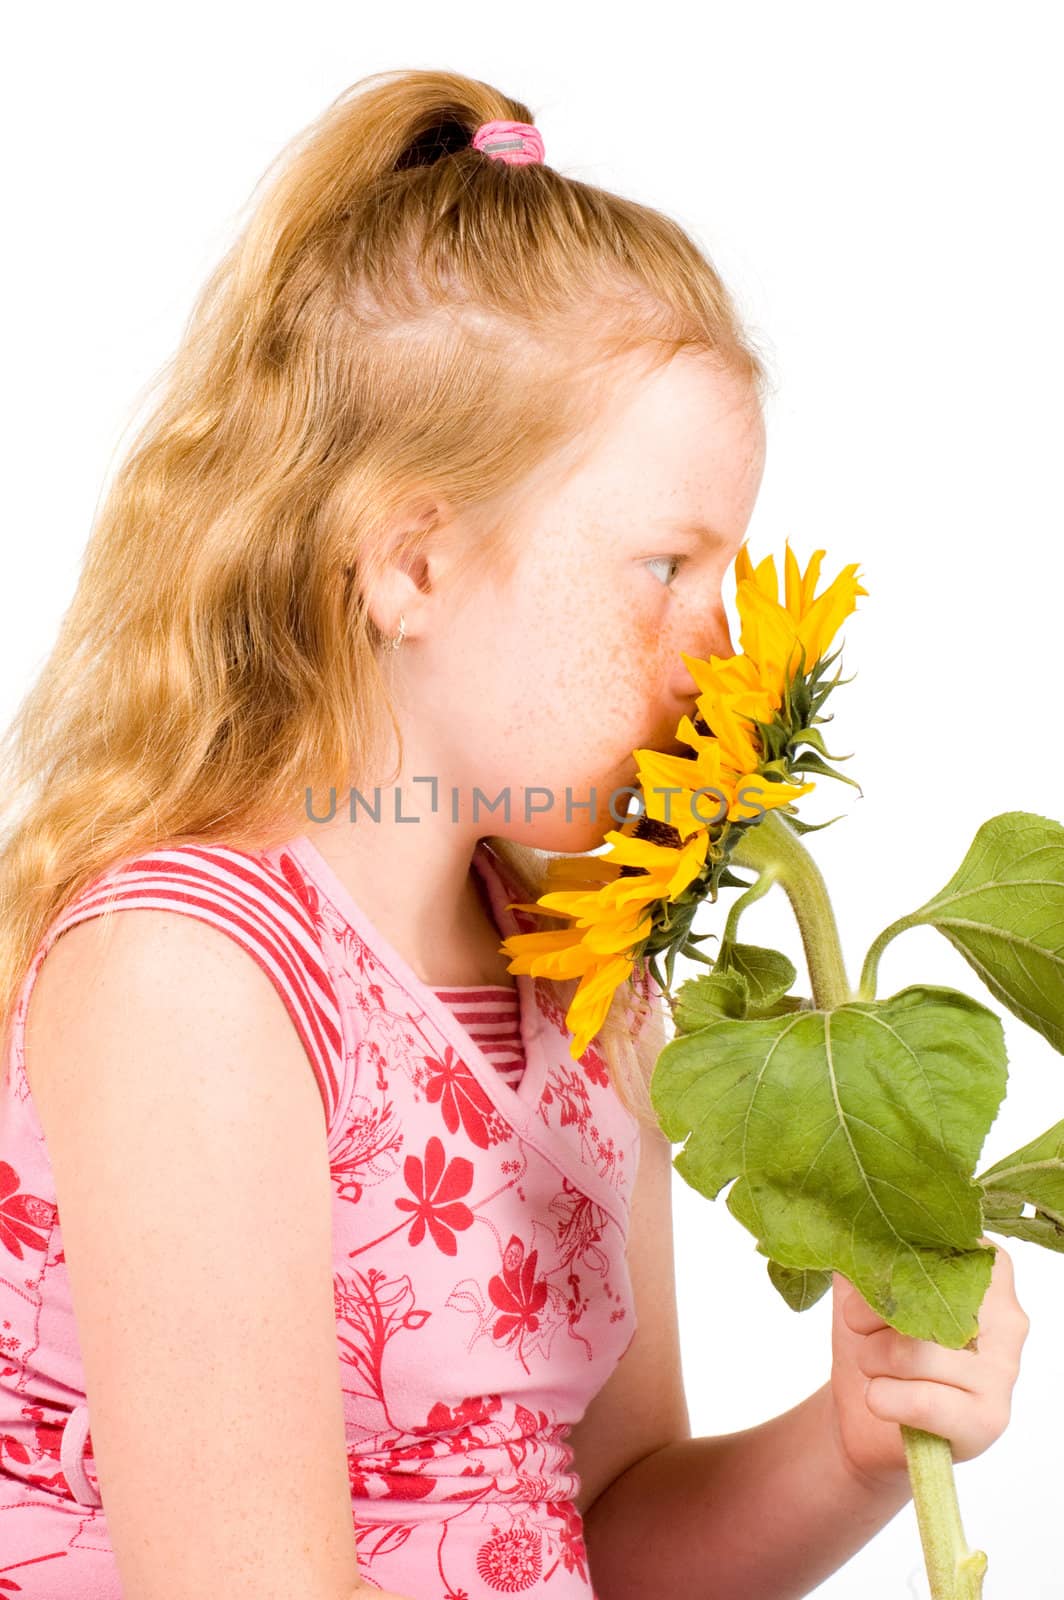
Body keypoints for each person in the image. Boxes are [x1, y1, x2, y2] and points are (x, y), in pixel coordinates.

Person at [0, 67, 1028, 1600]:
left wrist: (851, 1443)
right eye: (666, 565)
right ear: (412, 562)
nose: (720, 643)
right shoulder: (190, 982)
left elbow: (601, 1533)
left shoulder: (583, 981)